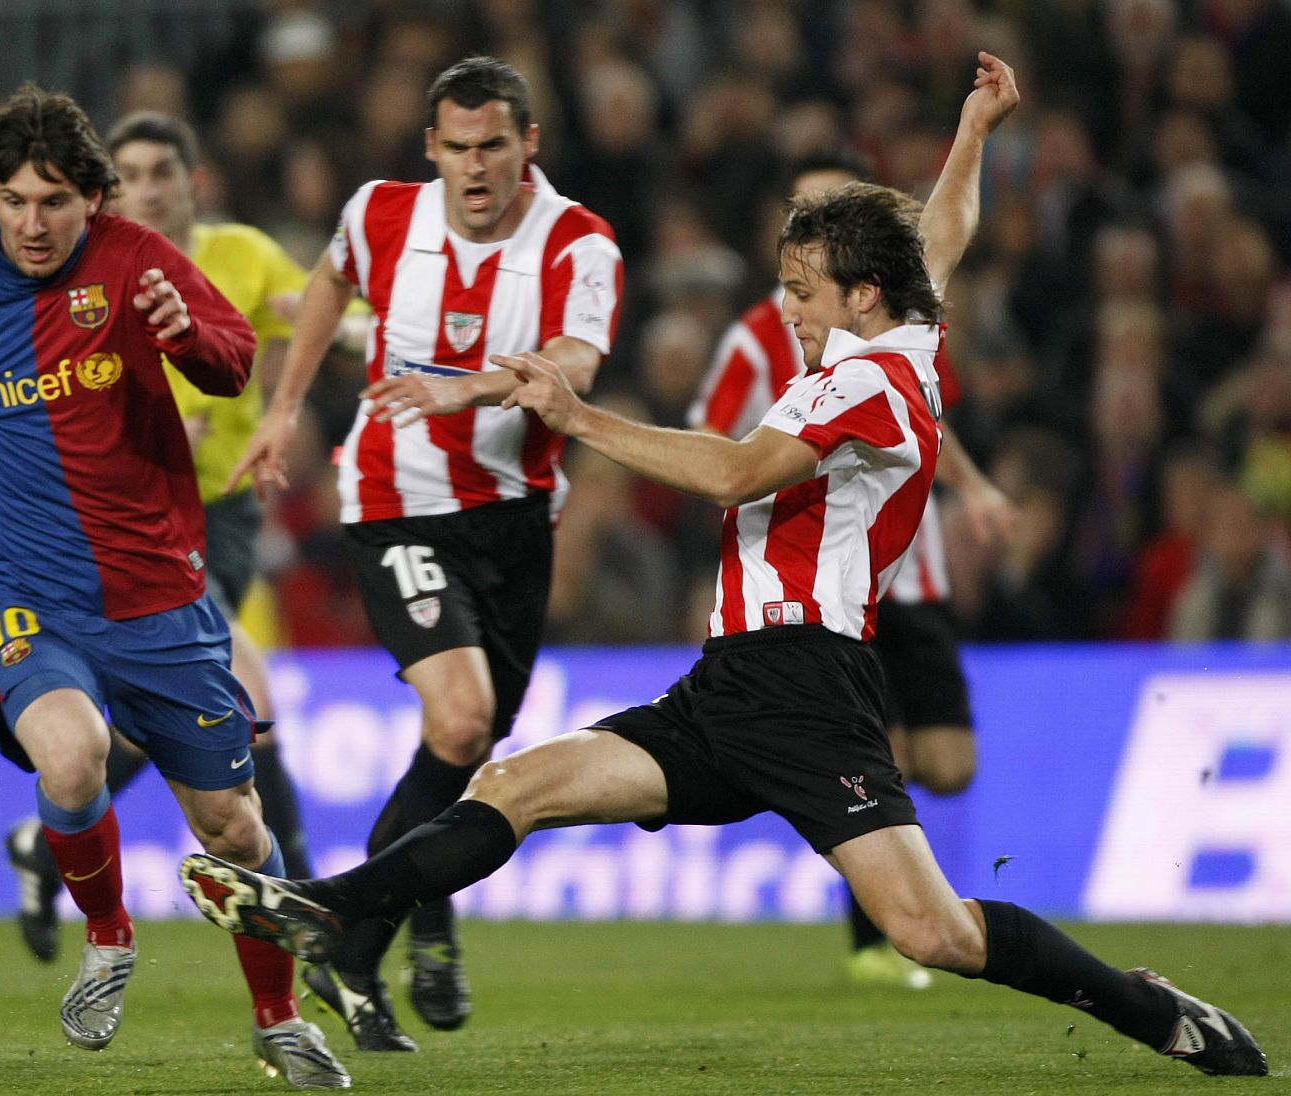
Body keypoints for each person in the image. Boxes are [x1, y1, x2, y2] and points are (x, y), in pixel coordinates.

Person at [176, 120, 1268, 1086]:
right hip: (728, 684)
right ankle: (336, 908)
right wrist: (973, 128)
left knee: (933, 932)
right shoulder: (912, 340)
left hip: (806, 687)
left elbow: (739, 472)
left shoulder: (868, 381)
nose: (784, 309)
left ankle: (1149, 1007)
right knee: (517, 781)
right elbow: (945, 232)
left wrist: (576, 416)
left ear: (860, 297)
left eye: (800, 291)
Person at [0, 85, 348, 1089]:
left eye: (53, 201)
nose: (32, 224)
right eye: (11, 201)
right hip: (22, 591)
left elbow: (230, 364)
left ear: (92, 197)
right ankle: (109, 932)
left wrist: (184, 332)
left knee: (233, 825)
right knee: (73, 750)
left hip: (159, 599)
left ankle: (277, 1018)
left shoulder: (139, 260)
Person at [226, 55, 622, 1051]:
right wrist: (280, 412)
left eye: (494, 145)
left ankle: (362, 947)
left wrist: (476, 386)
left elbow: (575, 363)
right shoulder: (380, 215)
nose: (475, 167)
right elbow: (324, 286)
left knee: (470, 754)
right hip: (396, 502)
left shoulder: (578, 242)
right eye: (457, 147)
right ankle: (392, 921)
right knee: (462, 718)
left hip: (517, 517)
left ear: (528, 144)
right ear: (430, 148)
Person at [689, 57, 1018, 989]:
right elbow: (728, 456)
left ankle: (901, 904)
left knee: (944, 762)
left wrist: (973, 133)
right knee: (881, 754)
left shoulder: (890, 332)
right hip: (811, 580)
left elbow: (943, 236)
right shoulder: (766, 335)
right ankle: (878, 931)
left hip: (898, 569)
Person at [2, 108, 322, 972]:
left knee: (170, 717)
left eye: (161, 172)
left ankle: (47, 838)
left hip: (227, 513)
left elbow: (305, 310)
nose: (147, 188)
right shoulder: (82, 274)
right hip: (137, 523)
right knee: (248, 702)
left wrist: (377, 333)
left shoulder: (242, 255)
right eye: (131, 174)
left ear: (193, 183)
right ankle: (318, 924)